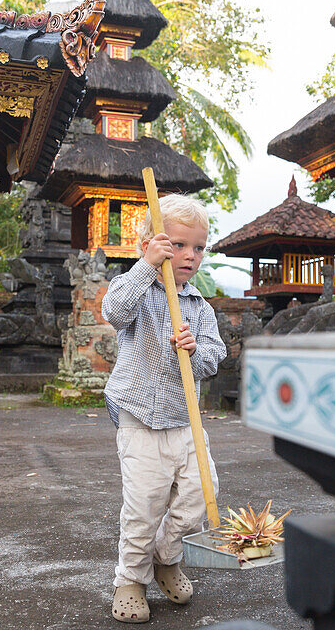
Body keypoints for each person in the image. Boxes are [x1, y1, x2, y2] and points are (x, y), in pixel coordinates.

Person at [100, 194, 227, 623]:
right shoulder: (138, 289)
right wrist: (147, 267)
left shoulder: (199, 306)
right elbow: (114, 311)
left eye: (198, 247)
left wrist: (196, 349)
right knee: (144, 506)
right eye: (177, 245)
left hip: (186, 420)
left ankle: (166, 557)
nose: (189, 255)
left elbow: (214, 356)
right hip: (140, 419)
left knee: (200, 496)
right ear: (153, 245)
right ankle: (130, 579)